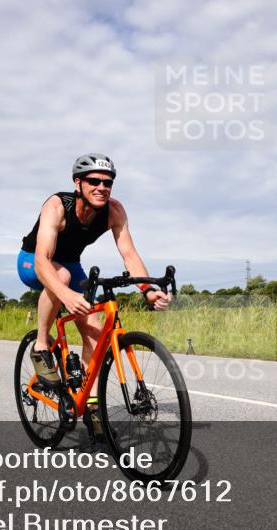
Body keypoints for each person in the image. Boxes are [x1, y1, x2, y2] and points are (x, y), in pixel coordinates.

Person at [17, 153, 171, 377]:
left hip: (71, 265)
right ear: (78, 183)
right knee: (62, 278)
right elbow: (43, 260)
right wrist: (66, 295)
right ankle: (41, 346)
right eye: (94, 181)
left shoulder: (114, 211)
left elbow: (129, 254)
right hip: (32, 261)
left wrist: (147, 290)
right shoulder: (57, 206)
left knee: (96, 334)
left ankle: (88, 395)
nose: (102, 187)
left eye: (108, 183)